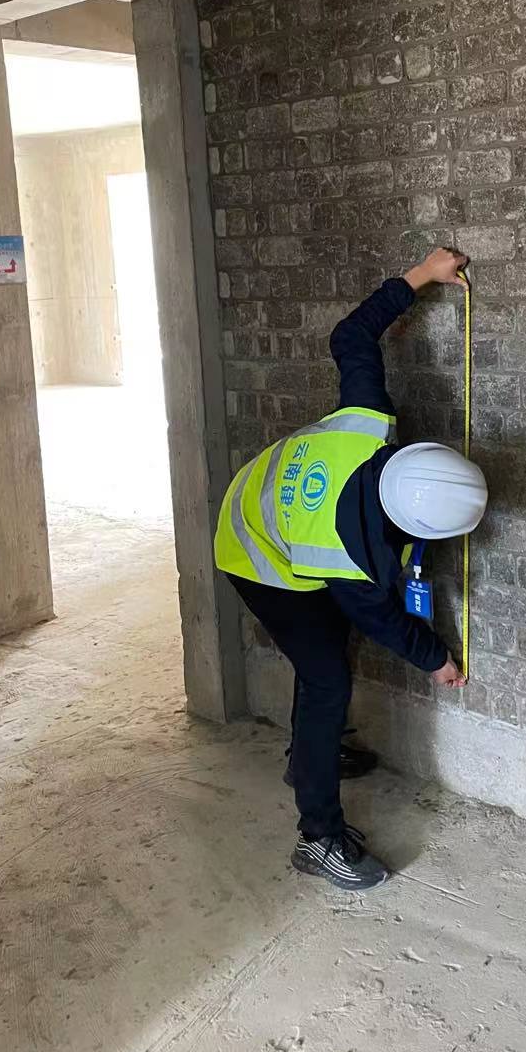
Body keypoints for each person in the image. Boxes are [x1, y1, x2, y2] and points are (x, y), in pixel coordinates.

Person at [215, 247, 487, 890]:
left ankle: (312, 748)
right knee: (328, 675)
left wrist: (422, 276)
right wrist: (437, 660)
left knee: (327, 652)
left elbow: (350, 335)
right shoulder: (351, 564)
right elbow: (386, 622)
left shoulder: (367, 421)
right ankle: (318, 838)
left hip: (265, 502)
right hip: (253, 553)